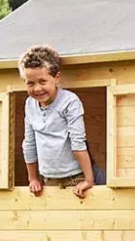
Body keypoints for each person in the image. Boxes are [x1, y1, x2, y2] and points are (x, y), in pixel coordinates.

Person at [19, 44, 104, 199]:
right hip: (48, 179)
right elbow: (29, 144)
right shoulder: (29, 104)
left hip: (76, 177)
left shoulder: (69, 102)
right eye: (30, 83)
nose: (37, 88)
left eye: (42, 81)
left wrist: (88, 180)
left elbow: (78, 142)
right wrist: (32, 178)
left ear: (56, 78)